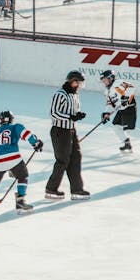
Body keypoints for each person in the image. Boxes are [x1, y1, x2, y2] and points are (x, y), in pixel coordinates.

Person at [0, 111, 43, 219]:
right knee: (23, 177)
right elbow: (27, 134)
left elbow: (1, 148)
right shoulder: (16, 126)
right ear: (11, 119)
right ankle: (20, 201)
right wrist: (36, 143)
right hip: (13, 158)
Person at [45, 70, 90, 200]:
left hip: (71, 130)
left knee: (76, 157)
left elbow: (73, 112)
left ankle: (77, 189)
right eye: (79, 83)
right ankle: (51, 189)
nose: (80, 86)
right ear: (72, 81)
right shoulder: (61, 94)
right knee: (63, 160)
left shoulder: (75, 95)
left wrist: (78, 115)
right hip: (60, 131)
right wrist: (70, 117)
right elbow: (54, 113)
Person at [99, 70, 140, 152]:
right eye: (103, 80)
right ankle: (127, 143)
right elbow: (110, 103)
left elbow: (131, 87)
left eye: (104, 80)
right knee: (115, 126)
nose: (103, 82)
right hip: (121, 109)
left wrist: (126, 97)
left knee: (129, 130)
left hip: (129, 108)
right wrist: (106, 113)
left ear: (111, 78)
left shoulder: (118, 83)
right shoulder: (107, 91)